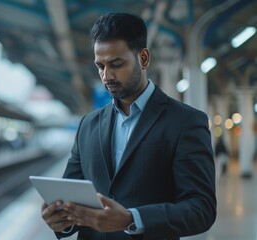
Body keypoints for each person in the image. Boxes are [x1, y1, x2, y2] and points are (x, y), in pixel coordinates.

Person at [41, 13, 216, 240]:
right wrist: (60, 221)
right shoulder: (88, 125)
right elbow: (69, 199)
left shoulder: (185, 121)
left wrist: (132, 219)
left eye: (116, 64)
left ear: (143, 58)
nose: (107, 76)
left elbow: (201, 209)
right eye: (100, 66)